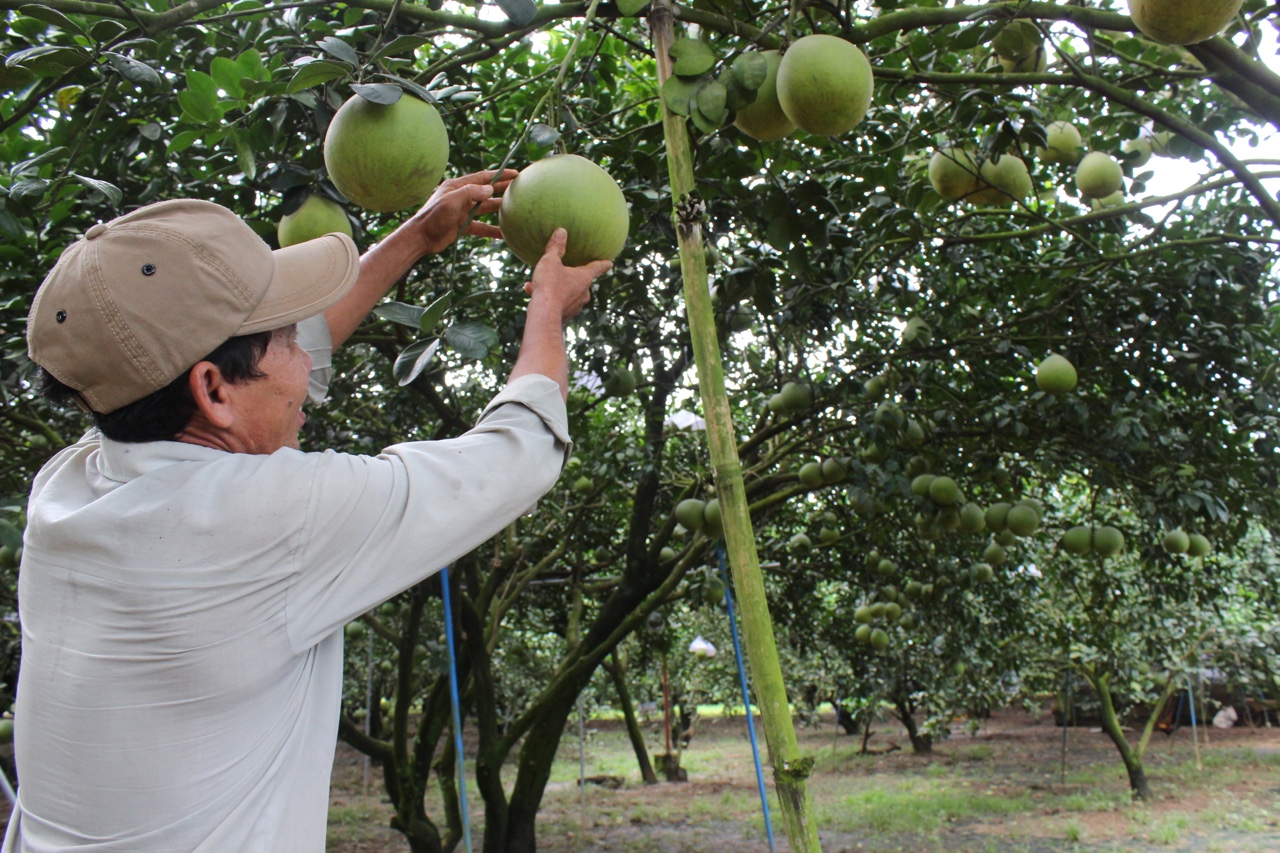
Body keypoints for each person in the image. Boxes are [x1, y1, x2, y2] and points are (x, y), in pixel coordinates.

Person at [4, 170, 612, 852]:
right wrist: (548, 311)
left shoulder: (70, 485)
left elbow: (260, 370)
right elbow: (517, 454)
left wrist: (417, 235)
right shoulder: (269, 521)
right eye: (285, 337)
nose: (306, 362)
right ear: (210, 389)